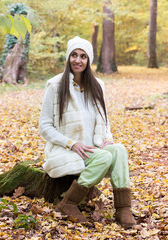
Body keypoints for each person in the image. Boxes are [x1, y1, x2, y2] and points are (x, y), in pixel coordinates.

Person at [39, 36, 136, 228]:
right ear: (68, 57)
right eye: (74, 55)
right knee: (103, 158)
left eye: (83, 56)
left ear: (88, 60)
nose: (78, 60)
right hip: (66, 149)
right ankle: (69, 203)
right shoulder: (55, 85)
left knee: (119, 150)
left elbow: (104, 120)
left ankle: (123, 208)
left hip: (93, 148)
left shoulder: (97, 86)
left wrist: (107, 139)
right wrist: (71, 143)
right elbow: (45, 126)